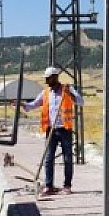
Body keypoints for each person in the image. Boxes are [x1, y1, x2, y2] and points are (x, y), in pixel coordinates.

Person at [25, 66, 84, 196]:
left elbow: (81, 102)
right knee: (48, 158)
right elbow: (33, 104)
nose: (46, 81)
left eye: (48, 78)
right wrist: (22, 105)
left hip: (65, 129)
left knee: (67, 158)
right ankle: (49, 186)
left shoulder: (66, 90)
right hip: (50, 129)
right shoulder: (46, 93)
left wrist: (71, 94)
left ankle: (67, 186)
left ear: (55, 77)